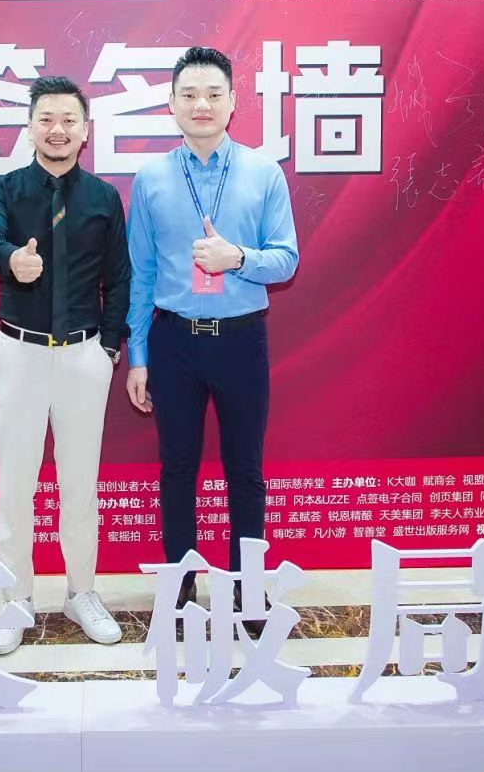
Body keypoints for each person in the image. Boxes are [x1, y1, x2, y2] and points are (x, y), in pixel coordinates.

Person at [124, 46, 299, 610]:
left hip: (241, 340)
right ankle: (180, 586)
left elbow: (287, 259)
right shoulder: (150, 179)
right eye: (189, 94)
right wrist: (138, 355)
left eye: (213, 94)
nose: (201, 104)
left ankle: (248, 588)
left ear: (232, 102)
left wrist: (237, 258)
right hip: (174, 341)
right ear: (172, 104)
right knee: (177, 467)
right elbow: (140, 272)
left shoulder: (263, 173)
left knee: (245, 469)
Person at [0, 75, 129, 654]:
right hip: (19, 355)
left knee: (79, 485)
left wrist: (107, 351)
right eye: (46, 119)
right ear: (30, 127)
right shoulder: (5, 189)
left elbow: (120, 278)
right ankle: (15, 600)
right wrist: (11, 258)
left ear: (85, 131)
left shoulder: (104, 199)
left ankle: (81, 592)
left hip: (84, 358)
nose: (57, 129)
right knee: (14, 484)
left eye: (69, 120)